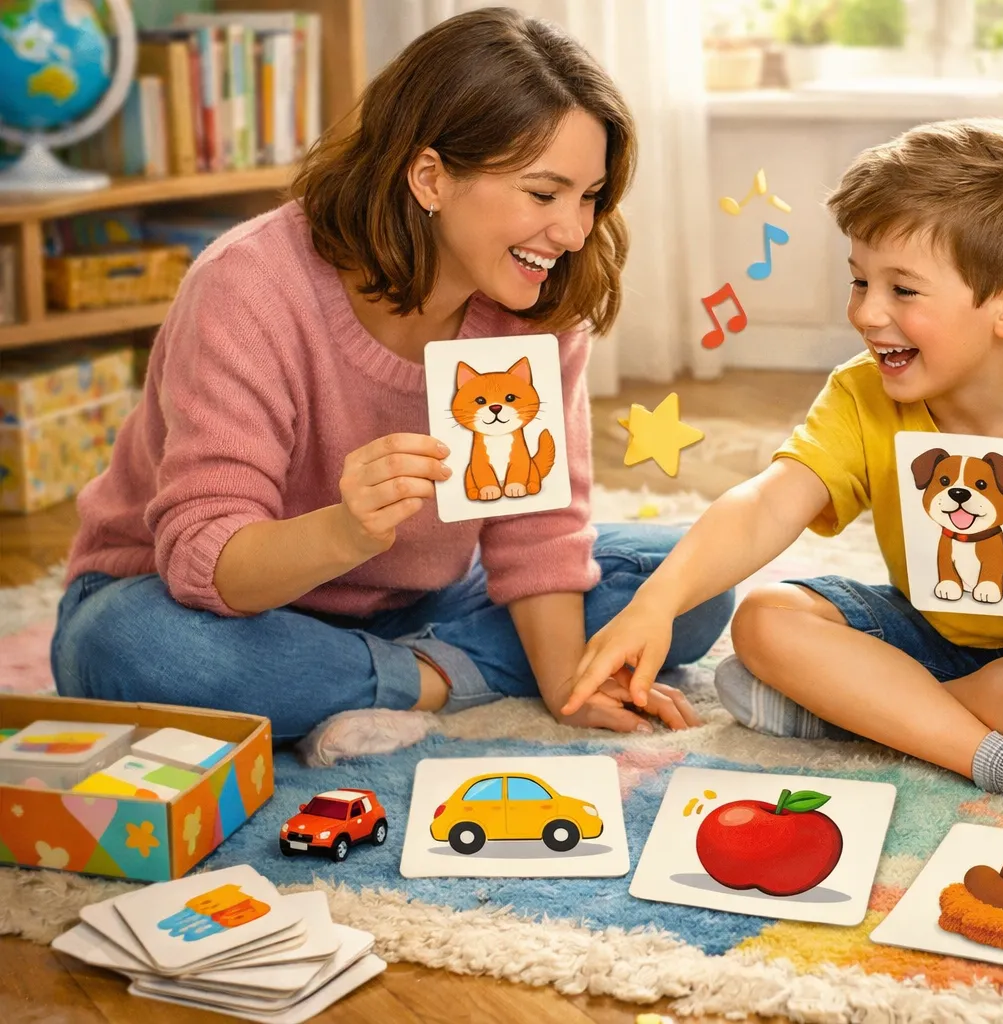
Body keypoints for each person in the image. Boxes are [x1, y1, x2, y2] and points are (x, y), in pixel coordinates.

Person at [51, 8, 731, 747]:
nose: (571, 233)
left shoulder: (538, 292)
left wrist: (569, 680)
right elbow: (206, 561)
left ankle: (372, 676)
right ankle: (437, 678)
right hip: (208, 604)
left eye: (590, 196)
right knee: (132, 650)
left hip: (420, 599)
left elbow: (537, 523)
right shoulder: (249, 287)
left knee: (687, 585)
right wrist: (346, 530)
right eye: (544, 194)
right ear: (431, 176)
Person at [562, 118, 1003, 831]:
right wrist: (659, 601)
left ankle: (875, 709)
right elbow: (769, 504)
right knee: (765, 620)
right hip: (935, 629)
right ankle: (997, 755)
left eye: (903, 290)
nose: (867, 312)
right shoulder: (861, 393)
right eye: (860, 280)